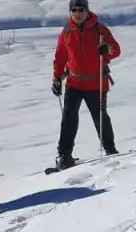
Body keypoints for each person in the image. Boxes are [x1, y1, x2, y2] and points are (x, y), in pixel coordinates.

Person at [52, 0, 121, 170]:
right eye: (74, 10)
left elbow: (115, 49)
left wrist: (106, 53)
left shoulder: (99, 29)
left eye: (80, 10)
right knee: (68, 119)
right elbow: (60, 56)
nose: (77, 13)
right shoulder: (67, 31)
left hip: (95, 82)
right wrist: (57, 78)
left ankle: (110, 151)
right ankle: (64, 155)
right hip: (74, 83)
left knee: (100, 118)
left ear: (87, 11)